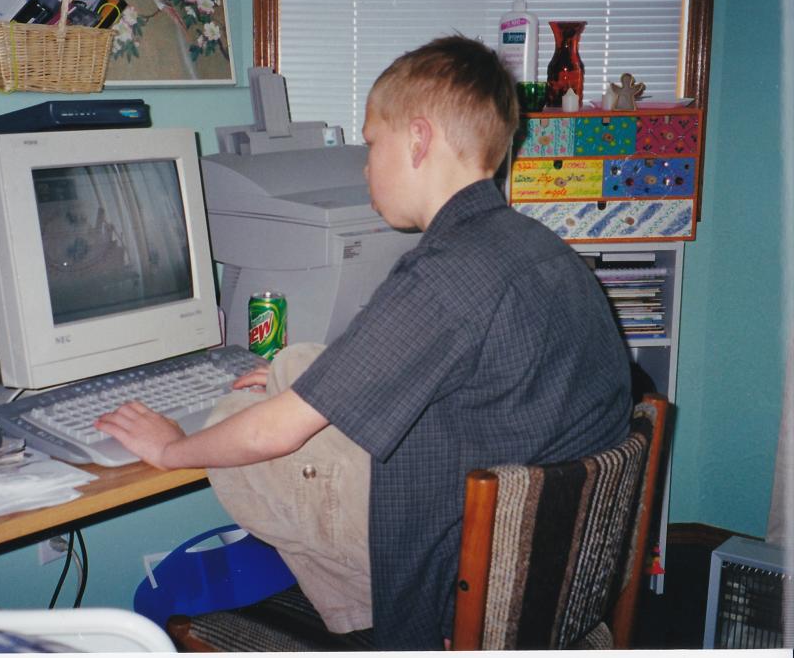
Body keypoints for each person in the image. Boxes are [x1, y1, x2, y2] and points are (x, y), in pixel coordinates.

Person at [95, 34, 633, 650]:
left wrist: (172, 448)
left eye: (372, 144)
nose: (364, 165)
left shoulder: (443, 275)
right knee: (296, 363)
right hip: (545, 556)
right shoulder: (537, 248)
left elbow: (275, 434)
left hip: (458, 567)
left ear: (420, 139)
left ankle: (369, 617)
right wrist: (296, 379)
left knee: (239, 415)